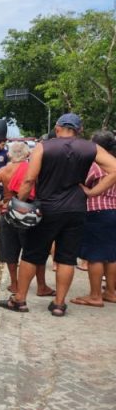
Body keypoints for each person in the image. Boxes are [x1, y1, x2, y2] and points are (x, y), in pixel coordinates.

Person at [2, 113, 116, 316]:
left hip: (47, 209)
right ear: (79, 130)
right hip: (76, 210)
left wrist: (19, 202)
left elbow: (29, 180)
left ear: (57, 127)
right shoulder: (91, 148)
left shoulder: (44, 147)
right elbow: (114, 169)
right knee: (66, 258)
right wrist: (91, 192)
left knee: (31, 254)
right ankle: (59, 305)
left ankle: (19, 300)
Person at [0, 142, 53, 295]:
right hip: (29, 211)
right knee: (35, 250)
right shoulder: (32, 170)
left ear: (9, 155)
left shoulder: (3, 170)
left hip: (9, 211)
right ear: (28, 155)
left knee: (10, 250)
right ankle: (41, 286)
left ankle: (14, 284)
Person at [70, 130, 116, 307]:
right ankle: (111, 292)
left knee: (94, 255)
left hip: (96, 212)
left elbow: (82, 183)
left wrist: (89, 191)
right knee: (111, 255)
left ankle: (95, 295)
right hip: (113, 211)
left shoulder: (96, 165)